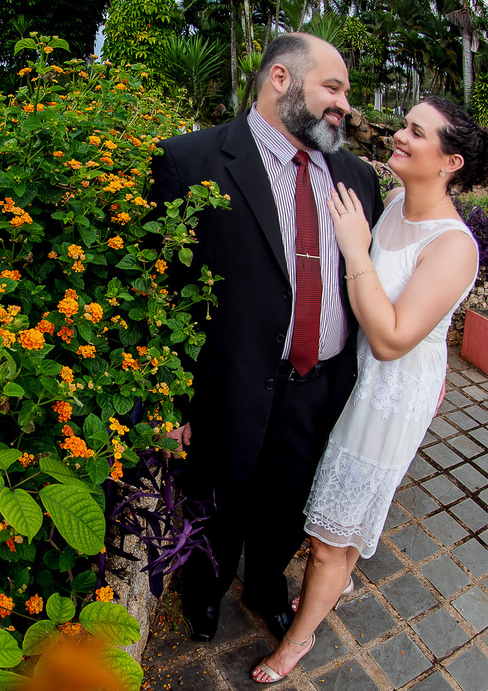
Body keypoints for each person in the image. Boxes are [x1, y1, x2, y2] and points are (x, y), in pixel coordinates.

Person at [148, 32, 384, 642]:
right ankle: (204, 587)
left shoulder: (357, 178)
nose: (345, 106)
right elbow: (163, 292)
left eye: (347, 94)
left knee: (289, 499)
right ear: (280, 79)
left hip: (322, 381)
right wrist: (172, 398)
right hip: (230, 381)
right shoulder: (190, 161)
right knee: (218, 494)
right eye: (332, 89)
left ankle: (265, 584)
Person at [251, 96, 488, 682]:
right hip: (351, 379)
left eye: (417, 131)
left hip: (389, 394)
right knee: (336, 515)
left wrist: (355, 246)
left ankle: (296, 643)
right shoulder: (393, 207)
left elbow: (390, 339)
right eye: (404, 124)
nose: (399, 136)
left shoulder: (454, 246)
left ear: (450, 162)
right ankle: (339, 568)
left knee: (330, 537)